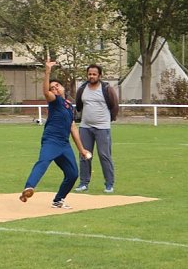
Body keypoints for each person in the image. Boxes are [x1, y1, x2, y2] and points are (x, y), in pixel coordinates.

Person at [19, 58, 91, 209]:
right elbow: (45, 92)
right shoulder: (55, 101)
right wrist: (47, 71)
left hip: (64, 144)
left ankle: (58, 200)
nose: (55, 89)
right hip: (51, 141)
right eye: (53, 88)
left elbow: (73, 128)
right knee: (43, 162)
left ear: (63, 88)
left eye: (57, 86)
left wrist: (82, 150)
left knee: (72, 174)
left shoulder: (69, 107)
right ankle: (28, 187)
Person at [74, 64, 119, 193]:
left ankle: (109, 184)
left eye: (94, 74)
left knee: (104, 155)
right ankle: (84, 183)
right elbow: (79, 105)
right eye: (89, 74)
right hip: (85, 127)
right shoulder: (82, 88)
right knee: (85, 155)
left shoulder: (106, 89)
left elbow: (114, 106)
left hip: (102, 127)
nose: (91, 76)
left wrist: (109, 119)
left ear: (99, 75)